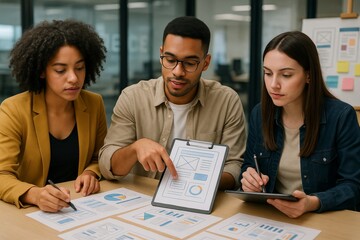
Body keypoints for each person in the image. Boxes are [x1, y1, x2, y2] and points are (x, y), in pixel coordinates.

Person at [99, 16, 246, 190]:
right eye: (170, 60)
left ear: (205, 63)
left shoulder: (226, 101)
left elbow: (234, 166)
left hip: (198, 198)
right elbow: (107, 165)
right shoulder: (133, 97)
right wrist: (135, 149)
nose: (178, 71)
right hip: (142, 200)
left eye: (190, 63)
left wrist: (199, 182)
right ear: (161, 53)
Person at [240, 31, 360, 218]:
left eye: (286, 75)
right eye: (267, 73)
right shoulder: (260, 113)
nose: (273, 85)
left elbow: (353, 186)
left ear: (309, 76)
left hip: (322, 217)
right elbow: (249, 164)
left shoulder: (341, 116)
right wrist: (248, 179)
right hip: (271, 215)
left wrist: (312, 203)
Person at [0, 19, 107, 212]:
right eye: (60, 70)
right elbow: (1, 174)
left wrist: (91, 173)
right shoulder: (13, 110)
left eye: (80, 68)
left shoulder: (94, 104)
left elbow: (100, 157)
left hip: (80, 207)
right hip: (31, 213)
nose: (73, 78)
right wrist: (34, 194)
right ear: (42, 72)